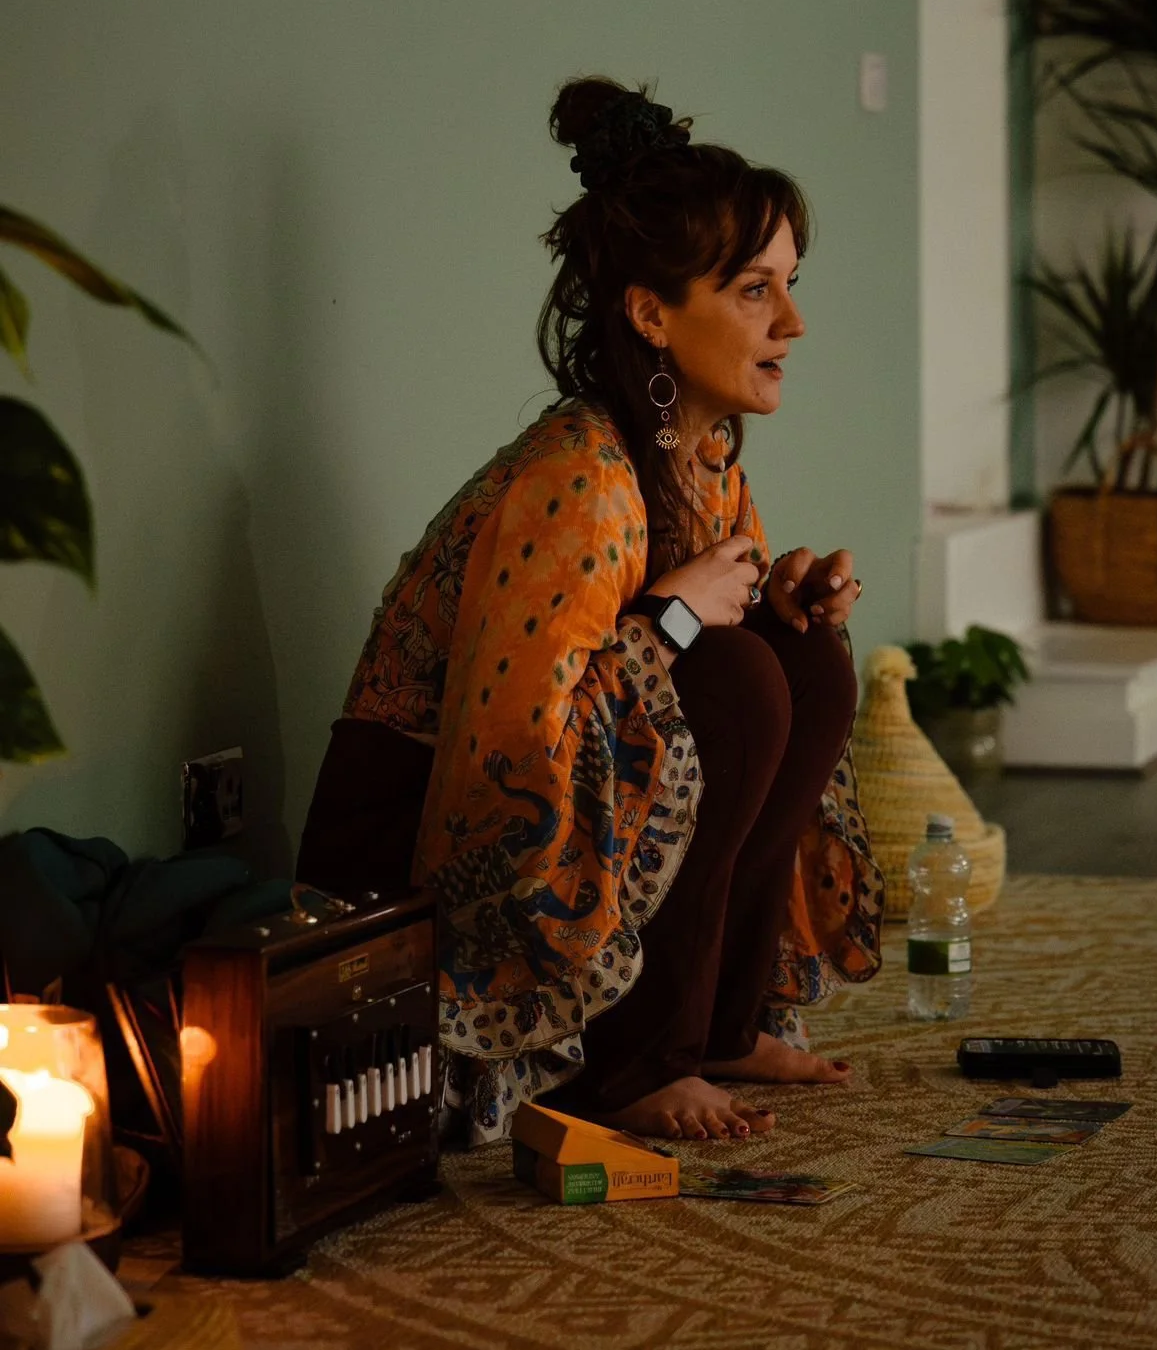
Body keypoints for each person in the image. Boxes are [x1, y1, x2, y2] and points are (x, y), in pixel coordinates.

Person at [297, 78, 883, 1144]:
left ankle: (716, 1023)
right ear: (651, 311)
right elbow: (505, 758)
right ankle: (629, 1066)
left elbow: (695, 677)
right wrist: (670, 618)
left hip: (543, 810)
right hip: (413, 854)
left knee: (801, 660)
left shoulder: (697, 460)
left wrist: (782, 601)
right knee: (738, 677)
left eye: (789, 285)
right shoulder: (577, 475)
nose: (791, 321)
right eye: (754, 290)